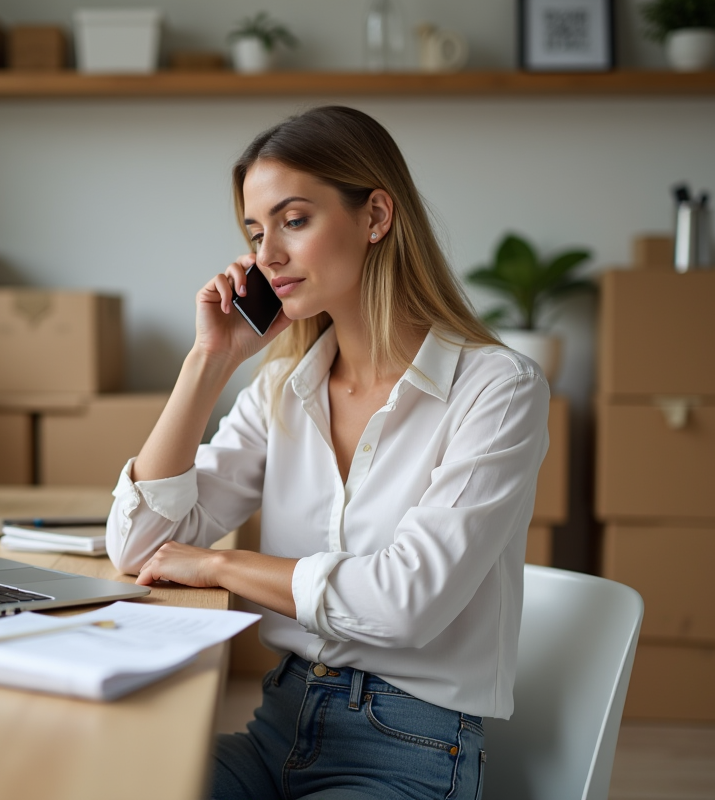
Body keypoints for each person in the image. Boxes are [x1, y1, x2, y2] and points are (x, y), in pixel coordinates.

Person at [106, 106, 549, 800]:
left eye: (294, 220)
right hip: (277, 727)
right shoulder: (281, 387)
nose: (267, 256)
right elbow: (138, 546)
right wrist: (208, 362)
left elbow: (406, 604)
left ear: (375, 216)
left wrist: (222, 563)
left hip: (410, 752)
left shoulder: (497, 389)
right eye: (255, 233)